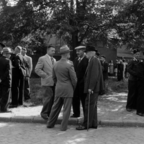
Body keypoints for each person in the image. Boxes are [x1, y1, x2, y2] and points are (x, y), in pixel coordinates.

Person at [47, 45, 77, 131]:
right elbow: (74, 79)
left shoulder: (55, 64)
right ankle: (63, 127)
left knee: (55, 107)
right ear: (66, 53)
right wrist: (73, 87)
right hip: (68, 89)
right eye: (69, 52)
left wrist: (58, 83)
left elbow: (53, 77)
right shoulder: (69, 64)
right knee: (66, 109)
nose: (69, 54)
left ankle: (50, 123)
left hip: (58, 88)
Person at [76, 45, 104, 130]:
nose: (86, 54)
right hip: (94, 88)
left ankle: (86, 124)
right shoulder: (93, 60)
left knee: (89, 106)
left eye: (86, 52)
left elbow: (94, 76)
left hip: (92, 89)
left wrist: (90, 88)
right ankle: (93, 123)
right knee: (93, 106)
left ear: (91, 53)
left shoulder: (94, 60)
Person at [35, 45, 56, 120]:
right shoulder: (42, 58)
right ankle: (44, 113)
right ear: (47, 50)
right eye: (52, 50)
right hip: (47, 82)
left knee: (53, 98)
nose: (53, 52)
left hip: (54, 82)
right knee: (48, 98)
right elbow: (37, 69)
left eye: (54, 50)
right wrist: (45, 75)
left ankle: (49, 113)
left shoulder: (54, 59)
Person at [71, 45, 88, 118]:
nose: (77, 52)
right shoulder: (75, 59)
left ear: (84, 50)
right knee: (75, 98)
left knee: (84, 100)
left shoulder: (87, 59)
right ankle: (76, 113)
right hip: (75, 83)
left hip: (83, 83)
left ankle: (86, 115)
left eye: (79, 51)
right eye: (76, 51)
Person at [0, 47, 12, 112]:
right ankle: (4, 109)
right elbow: (8, 72)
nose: (10, 55)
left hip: (0, 81)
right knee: (6, 95)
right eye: (9, 53)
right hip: (6, 81)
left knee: (0, 94)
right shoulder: (8, 61)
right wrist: (2, 79)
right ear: (6, 53)